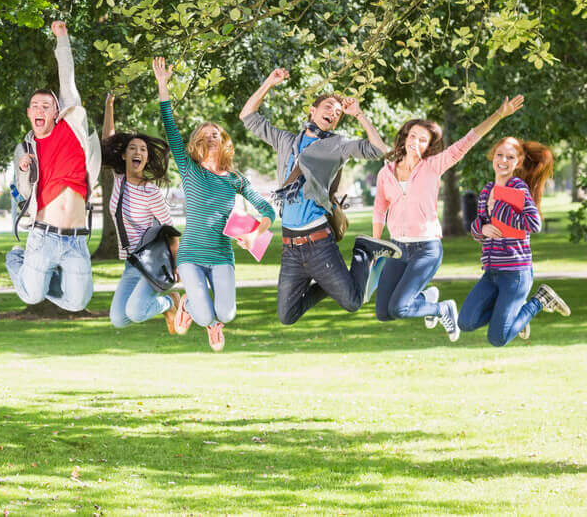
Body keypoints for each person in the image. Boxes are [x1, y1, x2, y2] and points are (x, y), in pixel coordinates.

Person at [239, 67, 400, 325]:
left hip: (319, 245)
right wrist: (269, 82)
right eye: (328, 107)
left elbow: (380, 150)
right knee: (286, 315)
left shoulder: (338, 145)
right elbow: (247, 115)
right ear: (312, 111)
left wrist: (358, 115)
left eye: (337, 113)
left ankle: (364, 249)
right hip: (290, 247)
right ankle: (331, 282)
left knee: (352, 301)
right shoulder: (285, 141)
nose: (333, 114)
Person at [371, 97, 525, 340]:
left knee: (399, 308)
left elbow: (468, 141)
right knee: (383, 312)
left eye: (423, 140)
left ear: (429, 146)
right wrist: (376, 245)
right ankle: (427, 298)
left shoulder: (433, 165)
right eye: (413, 136)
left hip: (426, 249)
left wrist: (498, 114)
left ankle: (442, 308)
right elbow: (379, 208)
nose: (416, 142)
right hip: (396, 247)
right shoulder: (386, 171)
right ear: (405, 137)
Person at [154, 57, 276, 351]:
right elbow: (170, 129)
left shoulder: (235, 179)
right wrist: (163, 85)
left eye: (215, 135)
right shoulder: (189, 168)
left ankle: (211, 320)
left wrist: (255, 234)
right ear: (197, 141)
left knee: (227, 313)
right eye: (205, 135)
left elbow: (269, 210)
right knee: (207, 314)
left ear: (223, 142)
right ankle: (195, 312)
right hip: (191, 254)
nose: (210, 137)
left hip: (221, 255)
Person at [5, 21, 101, 312]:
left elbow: (67, 79)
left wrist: (62, 39)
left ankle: (48, 276)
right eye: (35, 106)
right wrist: (23, 170)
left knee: (77, 302)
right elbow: (23, 193)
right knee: (31, 297)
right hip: (42, 236)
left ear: (57, 112)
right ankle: (16, 258)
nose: (40, 110)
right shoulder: (27, 150)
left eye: (46, 106)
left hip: (77, 240)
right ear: (28, 113)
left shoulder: (70, 128)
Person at [458, 137, 570, 345]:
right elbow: (477, 230)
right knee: (465, 322)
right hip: (491, 272)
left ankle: (540, 300)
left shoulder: (518, 188)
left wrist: (499, 208)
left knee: (498, 338)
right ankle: (515, 316)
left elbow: (533, 223)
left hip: (515, 274)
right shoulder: (486, 191)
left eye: (510, 157)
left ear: (518, 162)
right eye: (499, 155)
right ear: (492, 157)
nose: (503, 160)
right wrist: (481, 228)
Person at [101, 91, 181, 332]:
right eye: (133, 148)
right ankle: (167, 305)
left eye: (143, 150)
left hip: (152, 263)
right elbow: (108, 139)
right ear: (124, 155)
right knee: (118, 318)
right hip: (131, 264)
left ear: (146, 159)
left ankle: (171, 301)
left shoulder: (151, 193)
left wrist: (176, 267)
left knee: (135, 312)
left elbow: (172, 234)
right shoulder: (119, 179)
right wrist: (109, 105)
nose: (138, 152)